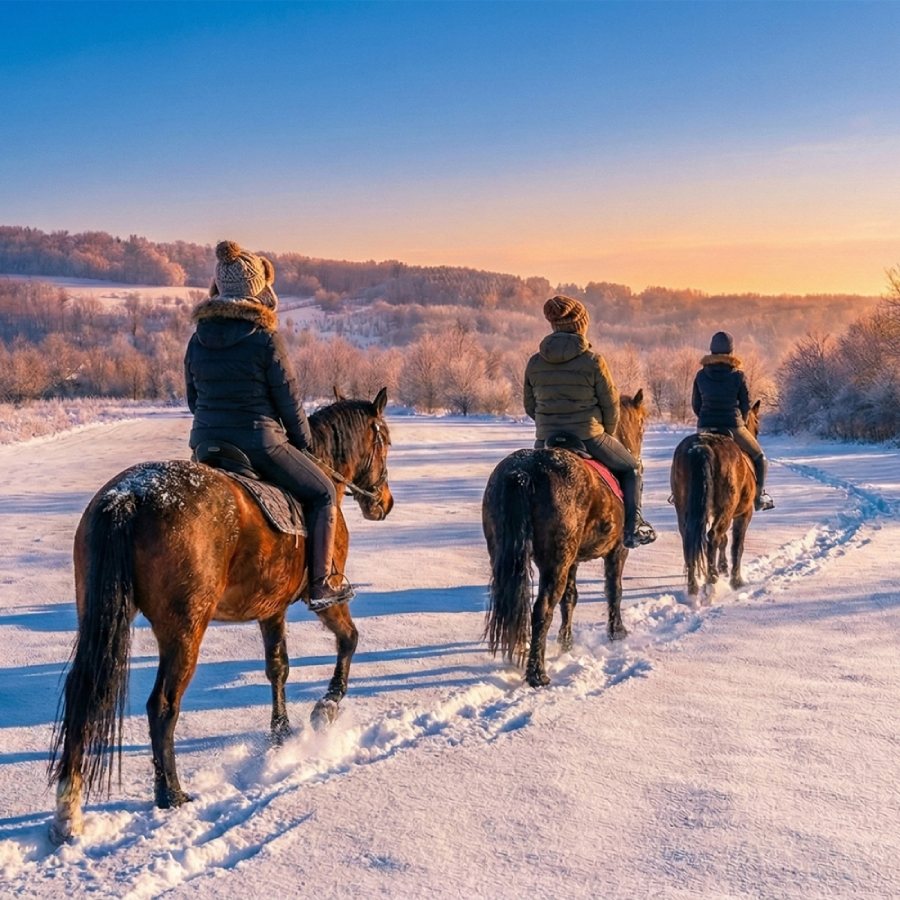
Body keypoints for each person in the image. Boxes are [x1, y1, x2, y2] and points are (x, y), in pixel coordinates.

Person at [184, 240, 354, 607]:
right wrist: (304, 445)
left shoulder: (197, 338)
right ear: (257, 289)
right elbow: (288, 401)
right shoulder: (264, 339)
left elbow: (193, 399)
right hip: (259, 443)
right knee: (324, 493)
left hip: (205, 443)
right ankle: (322, 584)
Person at [524, 295, 656, 548]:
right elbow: (611, 405)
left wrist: (549, 424)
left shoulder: (535, 362)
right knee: (632, 468)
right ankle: (633, 527)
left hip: (545, 440)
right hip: (588, 436)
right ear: (581, 325)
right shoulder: (593, 361)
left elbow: (530, 405)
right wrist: (606, 433)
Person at [692, 330, 774, 511]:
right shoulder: (738, 376)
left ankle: (681, 494)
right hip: (732, 425)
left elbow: (696, 405)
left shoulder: (701, 375)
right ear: (731, 351)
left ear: (711, 350)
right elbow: (745, 406)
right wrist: (741, 422)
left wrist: (705, 420)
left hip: (705, 427)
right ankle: (759, 497)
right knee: (760, 458)